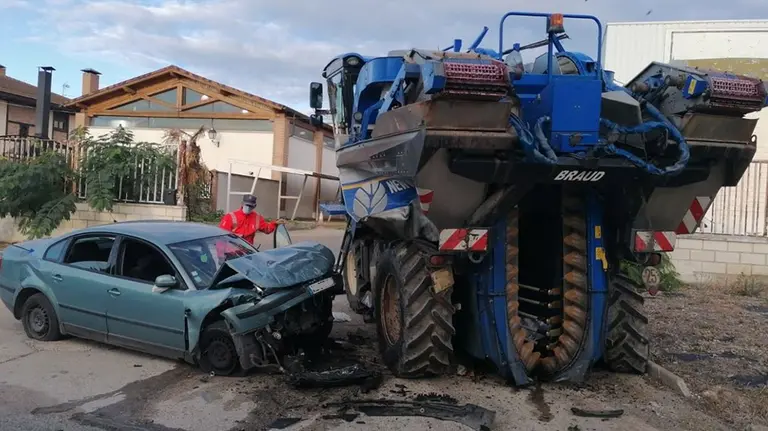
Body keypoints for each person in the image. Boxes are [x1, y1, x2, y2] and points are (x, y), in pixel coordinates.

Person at [219, 194, 284, 245]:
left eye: (251, 206)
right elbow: (221, 237)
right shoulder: (230, 217)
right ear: (242, 203)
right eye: (246, 205)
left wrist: (275, 223)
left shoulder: (257, 218)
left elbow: (267, 229)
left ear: (254, 206)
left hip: (247, 251)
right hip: (231, 252)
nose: (248, 207)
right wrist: (221, 254)